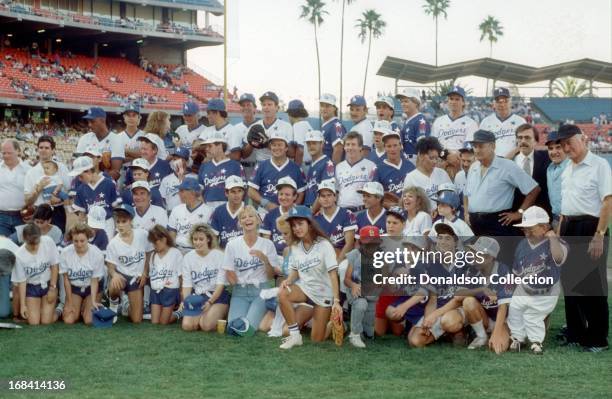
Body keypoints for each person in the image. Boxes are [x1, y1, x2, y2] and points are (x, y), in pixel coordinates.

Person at [557, 124, 611, 352]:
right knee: (570, 284)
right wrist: (559, 236)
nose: (566, 147)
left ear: (583, 139)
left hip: (590, 227)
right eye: (563, 144)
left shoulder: (600, 165)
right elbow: (564, 208)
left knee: (591, 285)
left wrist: (599, 234)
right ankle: (576, 333)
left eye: (570, 142)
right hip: (569, 226)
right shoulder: (566, 168)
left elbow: (608, 201)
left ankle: (597, 338)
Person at [277, 206, 342, 349]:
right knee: (282, 293)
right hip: (305, 289)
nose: (296, 228)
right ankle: (295, 336)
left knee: (317, 340)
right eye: (294, 225)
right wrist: (288, 281)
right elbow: (294, 270)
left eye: (300, 224)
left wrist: (336, 301)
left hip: (323, 294)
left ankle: (331, 323)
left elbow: (333, 274)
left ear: (310, 223)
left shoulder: (324, 245)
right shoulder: (295, 246)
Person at [509, 206, 568, 354]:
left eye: (531, 229)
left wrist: (552, 237)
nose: (527, 233)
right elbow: (516, 270)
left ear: (544, 227)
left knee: (532, 315)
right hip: (524, 287)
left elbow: (559, 258)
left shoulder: (558, 243)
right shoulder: (522, 245)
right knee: (515, 310)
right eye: (524, 229)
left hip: (546, 292)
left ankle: (536, 342)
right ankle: (518, 338)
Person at [464, 130, 540, 238]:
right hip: (474, 225)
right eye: (475, 147)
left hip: (497, 223)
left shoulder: (507, 166)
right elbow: (466, 194)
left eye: (481, 146)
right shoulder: (473, 167)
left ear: (493, 146)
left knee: (501, 254)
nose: (477, 150)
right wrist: (466, 213)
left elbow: (534, 189)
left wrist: (519, 213)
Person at [408, 223, 467, 348]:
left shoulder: (465, 262)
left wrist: (435, 315)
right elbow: (433, 298)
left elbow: (459, 300)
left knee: (449, 321)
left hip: (459, 307)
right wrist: (427, 319)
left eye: (448, 238)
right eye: (440, 238)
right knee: (415, 341)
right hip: (440, 307)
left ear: (456, 242)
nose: (443, 242)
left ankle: (459, 330)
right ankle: (446, 333)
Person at [223, 205, 279, 332]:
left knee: (248, 329)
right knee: (233, 327)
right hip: (240, 291)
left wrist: (264, 259)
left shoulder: (267, 244)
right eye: (243, 217)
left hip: (261, 291)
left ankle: (266, 316)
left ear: (258, 220)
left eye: (251, 216)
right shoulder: (232, 245)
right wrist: (232, 278)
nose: (247, 219)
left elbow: (271, 276)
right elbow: (229, 272)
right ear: (240, 223)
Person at [461, 237, 512, 353]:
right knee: (468, 301)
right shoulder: (472, 270)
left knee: (498, 348)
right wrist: (481, 289)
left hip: (503, 319)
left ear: (489, 257)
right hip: (484, 316)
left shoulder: (503, 271)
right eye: (474, 253)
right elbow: (458, 295)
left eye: (478, 255)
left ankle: (498, 332)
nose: (474, 257)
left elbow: (503, 306)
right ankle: (481, 336)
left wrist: (497, 332)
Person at [106, 204, 153, 324]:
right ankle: (113, 305)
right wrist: (114, 275)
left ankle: (126, 304)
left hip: (136, 278)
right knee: (115, 283)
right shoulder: (113, 243)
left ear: (131, 220)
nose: (120, 225)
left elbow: (148, 253)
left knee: (136, 320)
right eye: (118, 222)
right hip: (122, 276)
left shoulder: (142, 234)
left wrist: (144, 272)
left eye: (124, 221)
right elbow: (110, 266)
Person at [181, 224, 229, 331]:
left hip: (217, 297)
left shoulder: (219, 256)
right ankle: (203, 316)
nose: (198, 242)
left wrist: (210, 302)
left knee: (206, 326)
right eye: (195, 239)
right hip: (198, 296)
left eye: (201, 239)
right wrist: (186, 302)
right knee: (188, 326)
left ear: (208, 239)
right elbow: (187, 285)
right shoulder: (188, 257)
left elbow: (220, 285)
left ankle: (223, 311)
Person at [248, 130, 305, 216]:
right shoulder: (261, 166)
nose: (276, 148)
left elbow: (301, 193)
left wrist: (294, 209)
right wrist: (266, 203)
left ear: (286, 148)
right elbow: (251, 191)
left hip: (288, 213)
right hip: (265, 211)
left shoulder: (296, 168)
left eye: (280, 145)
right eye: (274, 145)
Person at [344, 226, 383, 348]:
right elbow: (346, 279)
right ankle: (354, 334)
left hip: (371, 292)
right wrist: (354, 285)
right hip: (355, 289)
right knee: (361, 304)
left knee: (369, 333)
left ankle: (360, 331)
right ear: (360, 242)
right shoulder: (355, 255)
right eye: (367, 243)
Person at [12, 223, 59, 325]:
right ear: (24, 239)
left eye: (36, 243)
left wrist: (52, 288)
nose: (34, 246)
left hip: (47, 285)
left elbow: (54, 265)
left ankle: (59, 310)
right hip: (31, 287)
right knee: (34, 322)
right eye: (30, 243)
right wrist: (23, 305)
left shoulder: (48, 242)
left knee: (46, 321)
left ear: (40, 236)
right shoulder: (19, 255)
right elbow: (22, 281)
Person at [60, 223, 105, 325]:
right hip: (75, 288)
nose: (79, 244)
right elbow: (66, 280)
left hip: (91, 289)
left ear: (88, 239)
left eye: (82, 241)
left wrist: (93, 301)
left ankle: (87, 305)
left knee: (89, 320)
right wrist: (70, 303)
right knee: (69, 320)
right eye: (75, 241)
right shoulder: (65, 253)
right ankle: (77, 306)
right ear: (71, 239)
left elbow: (94, 280)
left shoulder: (97, 253)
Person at [23, 135, 70, 231]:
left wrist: (59, 198)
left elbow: (68, 190)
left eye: (47, 148)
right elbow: (28, 201)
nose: (43, 150)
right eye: (41, 147)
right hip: (39, 212)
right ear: (37, 149)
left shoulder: (62, 168)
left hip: (57, 211)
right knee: (38, 242)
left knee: (57, 241)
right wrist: (38, 189)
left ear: (53, 150)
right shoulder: (31, 172)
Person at [71, 156, 121, 240]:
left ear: (89, 171)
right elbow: (81, 214)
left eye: (81, 176)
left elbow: (117, 208)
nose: (79, 179)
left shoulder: (109, 183)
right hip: (90, 225)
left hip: (107, 223)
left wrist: (118, 228)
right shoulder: (81, 189)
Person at [198, 131, 245, 216]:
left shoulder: (235, 166)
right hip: (207, 207)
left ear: (220, 145)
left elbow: (244, 190)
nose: (206, 149)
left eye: (210, 146)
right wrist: (203, 208)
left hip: (230, 206)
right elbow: (199, 191)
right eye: (206, 146)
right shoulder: (204, 166)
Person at [510, 124, 551, 215]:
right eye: (520, 138)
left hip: (541, 215)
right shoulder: (509, 162)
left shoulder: (547, 157)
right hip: (515, 215)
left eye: (527, 138)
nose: (523, 141)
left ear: (536, 141)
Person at [402, 136, 451, 210]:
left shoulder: (442, 173)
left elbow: (451, 196)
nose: (434, 161)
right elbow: (408, 205)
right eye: (431, 158)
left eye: (436, 158)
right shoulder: (411, 178)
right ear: (421, 156)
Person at [242, 91, 293, 162]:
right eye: (264, 104)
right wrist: (251, 143)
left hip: (279, 164)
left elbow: (292, 154)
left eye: (269, 104)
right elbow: (244, 155)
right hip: (260, 164)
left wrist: (267, 144)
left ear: (277, 107)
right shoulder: (254, 126)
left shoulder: (286, 126)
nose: (266, 107)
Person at [313, 179, 357, 262]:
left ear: (335, 197)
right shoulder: (316, 219)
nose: (326, 199)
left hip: (344, 257)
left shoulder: (347, 214)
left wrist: (337, 263)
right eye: (323, 196)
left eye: (329, 195)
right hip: (325, 258)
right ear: (318, 199)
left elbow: (350, 244)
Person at [76, 107, 124, 181]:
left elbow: (115, 173)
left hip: (105, 185)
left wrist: (96, 182)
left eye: (92, 121)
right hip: (85, 182)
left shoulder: (116, 139)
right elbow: (77, 166)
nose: (89, 125)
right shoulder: (84, 138)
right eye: (88, 122)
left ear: (102, 120)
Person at [147, 225, 183, 325]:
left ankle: (179, 313)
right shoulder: (153, 255)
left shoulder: (176, 253)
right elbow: (152, 275)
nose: (154, 245)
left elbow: (181, 277)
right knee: (154, 322)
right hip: (156, 291)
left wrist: (181, 297)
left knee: (163, 322)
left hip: (170, 290)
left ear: (164, 239)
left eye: (156, 241)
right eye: (152, 242)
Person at [335, 132, 377, 213]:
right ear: (344, 147)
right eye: (347, 144)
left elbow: (374, 193)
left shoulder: (371, 166)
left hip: (362, 210)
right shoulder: (338, 167)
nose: (350, 147)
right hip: (342, 211)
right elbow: (336, 192)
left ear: (360, 147)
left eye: (353, 144)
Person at [479, 87, 526, 157]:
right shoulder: (485, 122)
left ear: (510, 102)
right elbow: (480, 145)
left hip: (514, 162)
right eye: (498, 101)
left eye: (505, 101)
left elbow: (524, 144)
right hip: (492, 163)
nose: (502, 104)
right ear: (493, 104)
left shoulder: (520, 121)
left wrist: (508, 158)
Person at [168, 177, 210, 253]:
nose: (179, 193)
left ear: (192, 192)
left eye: (182, 191)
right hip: (178, 250)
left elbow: (211, 239)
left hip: (199, 251)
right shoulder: (176, 209)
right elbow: (172, 235)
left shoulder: (209, 211)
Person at [375, 127, 415, 203]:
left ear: (400, 146)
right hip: (390, 212)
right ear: (384, 148)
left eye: (395, 145)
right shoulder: (378, 169)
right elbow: (375, 197)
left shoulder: (410, 166)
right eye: (389, 146)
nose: (392, 149)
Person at [431, 86, 478, 151]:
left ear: (463, 102)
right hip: (441, 158)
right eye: (451, 99)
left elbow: (468, 147)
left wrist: (456, 157)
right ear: (448, 101)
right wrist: (446, 156)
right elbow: (433, 145)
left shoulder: (471, 123)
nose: (453, 102)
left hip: (462, 159)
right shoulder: (438, 121)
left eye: (457, 99)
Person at [261, 177, 299, 257]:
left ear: (295, 196)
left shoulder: (301, 213)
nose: (283, 197)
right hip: (276, 257)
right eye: (281, 194)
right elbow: (266, 243)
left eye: (287, 195)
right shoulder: (270, 215)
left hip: (298, 256)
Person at [0, 139, 29, 236]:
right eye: (4, 153)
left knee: (21, 246)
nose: (6, 156)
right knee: (3, 248)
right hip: (1, 217)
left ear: (18, 151)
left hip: (22, 216)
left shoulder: (28, 170)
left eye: (9, 153)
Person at [209, 176, 246, 249]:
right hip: (224, 254)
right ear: (226, 193)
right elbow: (213, 238)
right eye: (233, 191)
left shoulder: (250, 210)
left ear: (243, 192)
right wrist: (219, 253)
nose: (237, 195)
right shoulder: (218, 211)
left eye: (239, 191)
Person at [395, 88, 430, 161]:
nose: (403, 104)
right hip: (405, 159)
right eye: (401, 101)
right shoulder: (407, 121)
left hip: (415, 160)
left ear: (416, 103)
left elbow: (422, 147)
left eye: (406, 101)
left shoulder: (421, 120)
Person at [544, 131, 569, 230]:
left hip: (571, 219)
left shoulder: (572, 166)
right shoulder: (549, 168)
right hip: (555, 218)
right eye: (550, 148)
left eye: (558, 147)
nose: (554, 152)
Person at [303, 130, 335, 208]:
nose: (311, 146)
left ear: (322, 144)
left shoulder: (327, 163)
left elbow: (326, 192)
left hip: (319, 209)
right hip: (309, 207)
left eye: (314, 143)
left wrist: (312, 211)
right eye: (308, 143)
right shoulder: (312, 164)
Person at [229, 93, 259, 175]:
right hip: (242, 169)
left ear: (255, 109)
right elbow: (235, 156)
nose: (246, 107)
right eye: (243, 105)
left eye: (248, 105)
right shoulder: (235, 128)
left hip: (260, 168)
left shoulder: (262, 125)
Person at [319, 93, 346, 164]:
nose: (324, 108)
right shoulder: (327, 125)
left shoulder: (336, 125)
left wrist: (332, 170)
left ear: (334, 108)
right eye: (322, 105)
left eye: (327, 106)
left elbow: (338, 149)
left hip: (329, 170)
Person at [286, 99, 312, 166]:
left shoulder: (298, 125)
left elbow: (300, 150)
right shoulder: (306, 124)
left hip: (303, 165)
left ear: (290, 114)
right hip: (309, 164)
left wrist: (297, 169)